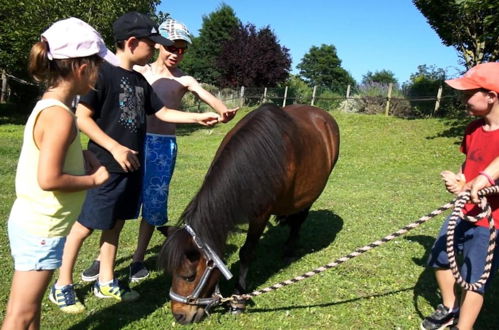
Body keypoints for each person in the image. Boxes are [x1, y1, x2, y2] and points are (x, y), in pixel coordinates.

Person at [51, 12, 220, 313]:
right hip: (105, 167)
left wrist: (197, 117)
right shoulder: (101, 74)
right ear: (131, 43)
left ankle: (106, 281)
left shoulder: (139, 80)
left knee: (115, 225)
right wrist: (114, 148)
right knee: (85, 226)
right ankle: (62, 284)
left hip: (132, 166)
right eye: (149, 43)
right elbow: (82, 117)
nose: (154, 48)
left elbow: (163, 113)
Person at [80, 18, 239, 282]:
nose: (176, 54)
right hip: (133, 143)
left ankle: (138, 259)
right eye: (172, 48)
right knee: (118, 200)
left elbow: (204, 95)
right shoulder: (138, 71)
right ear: (159, 46)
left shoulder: (184, 79)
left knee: (153, 204)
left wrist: (221, 110)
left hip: (163, 147)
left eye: (182, 50)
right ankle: (101, 259)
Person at [1, 17, 115, 328]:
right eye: (97, 65)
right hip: (42, 229)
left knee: (30, 308)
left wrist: (81, 155)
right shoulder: (60, 117)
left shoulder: (50, 107)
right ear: (82, 68)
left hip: (36, 224)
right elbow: (48, 178)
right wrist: (94, 179)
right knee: (20, 315)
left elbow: (51, 153)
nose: (99, 73)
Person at [421, 62, 499, 330]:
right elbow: (469, 166)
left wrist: (485, 180)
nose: (462, 99)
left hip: (492, 221)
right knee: (439, 258)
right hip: (464, 211)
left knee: (474, 279)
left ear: (491, 96)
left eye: (468, 93)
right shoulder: (472, 129)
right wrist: (461, 181)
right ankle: (450, 307)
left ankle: (463, 327)